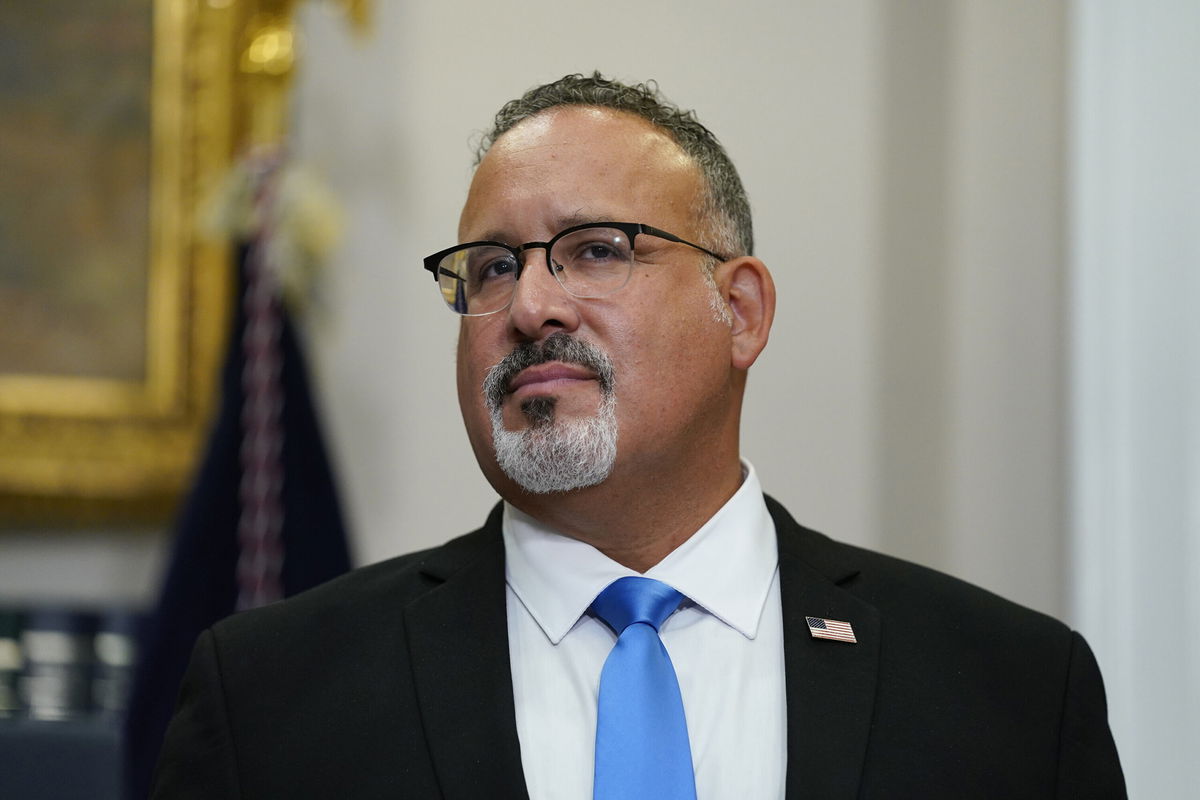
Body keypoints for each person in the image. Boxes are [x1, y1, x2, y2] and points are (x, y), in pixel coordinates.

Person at [151, 73, 1125, 799]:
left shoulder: (1012, 692)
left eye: (595, 251)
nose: (530, 303)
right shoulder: (274, 697)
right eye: (489, 268)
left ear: (739, 310)